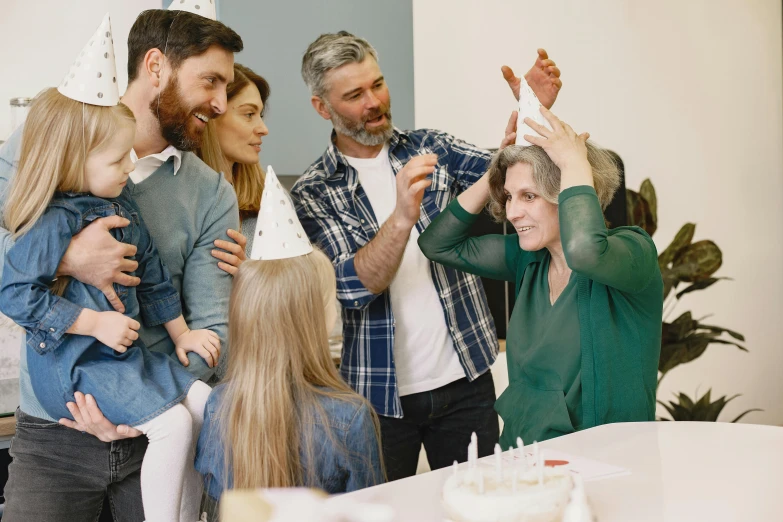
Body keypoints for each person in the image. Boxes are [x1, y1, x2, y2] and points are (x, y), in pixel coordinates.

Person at [0, 9, 243, 521]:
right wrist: (71, 256)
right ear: (156, 65)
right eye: (211, 81)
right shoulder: (39, 142)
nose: (221, 103)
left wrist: (140, 410)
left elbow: (210, 325)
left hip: (157, 430)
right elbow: (14, 276)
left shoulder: (211, 192)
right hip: (53, 435)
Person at [291, 31, 562, 480]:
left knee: (482, 505)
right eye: (355, 94)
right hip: (378, 400)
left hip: (467, 382)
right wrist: (401, 217)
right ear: (323, 107)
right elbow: (353, 287)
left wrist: (534, 112)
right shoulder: (314, 191)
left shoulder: (431, 146)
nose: (374, 101)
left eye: (377, 84)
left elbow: (510, 176)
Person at [418, 107, 663, 447]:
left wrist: (575, 163)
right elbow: (436, 244)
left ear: (569, 191)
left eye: (529, 196)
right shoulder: (528, 259)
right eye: (509, 197)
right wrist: (494, 169)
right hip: (524, 459)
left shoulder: (634, 253)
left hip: (608, 464)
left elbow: (585, 251)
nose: (512, 212)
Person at [195, 174, 383, 521]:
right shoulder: (350, 418)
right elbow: (367, 512)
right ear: (314, 319)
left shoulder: (220, 406)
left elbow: (213, 505)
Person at [197, 63, 270, 261]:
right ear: (211, 117)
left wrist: (249, 278)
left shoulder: (272, 201)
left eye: (260, 115)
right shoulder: (183, 204)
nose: (263, 129)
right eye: (249, 114)